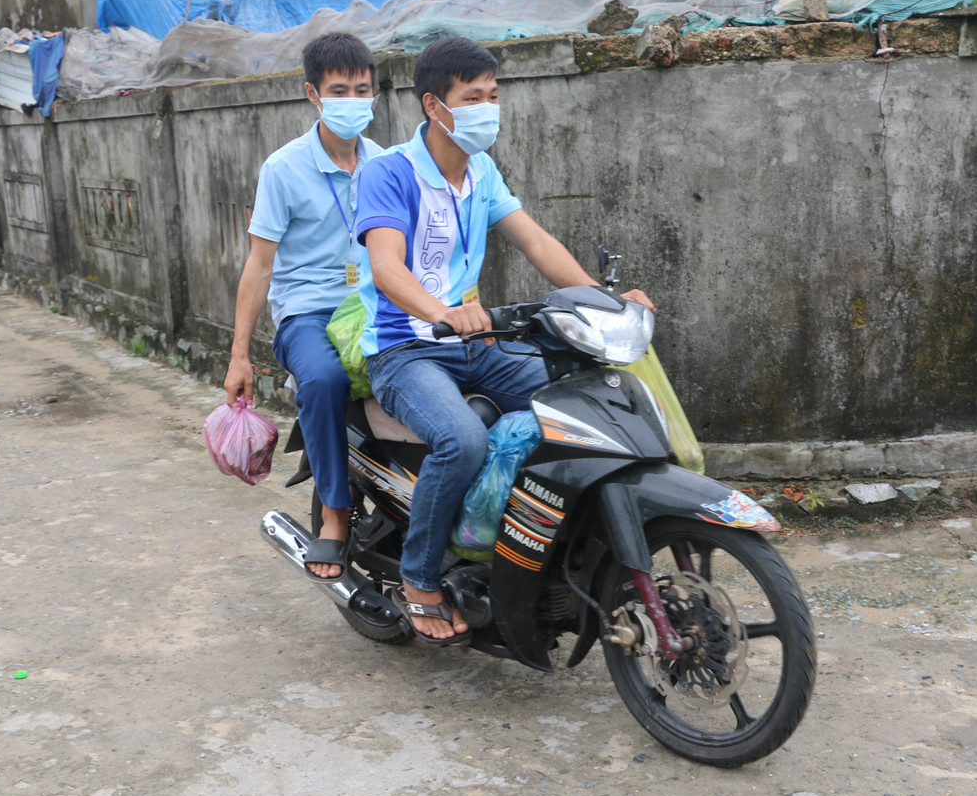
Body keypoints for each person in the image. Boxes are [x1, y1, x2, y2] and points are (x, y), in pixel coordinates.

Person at [354, 36, 654, 644]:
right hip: (404, 348)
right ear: (435, 106)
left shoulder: (481, 171)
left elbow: (537, 243)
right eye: (474, 97)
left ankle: (540, 546)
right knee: (461, 441)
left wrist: (606, 300)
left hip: (472, 343)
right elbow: (387, 266)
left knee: (583, 402)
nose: (488, 107)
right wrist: (444, 312)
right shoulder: (389, 173)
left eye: (494, 95)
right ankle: (418, 578)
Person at [224, 32, 382, 583]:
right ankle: (335, 517)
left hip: (377, 306)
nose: (353, 100)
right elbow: (259, 266)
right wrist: (239, 356)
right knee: (321, 381)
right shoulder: (284, 169)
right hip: (309, 313)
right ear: (313, 94)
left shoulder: (388, 164)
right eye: (340, 90)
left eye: (363, 89)